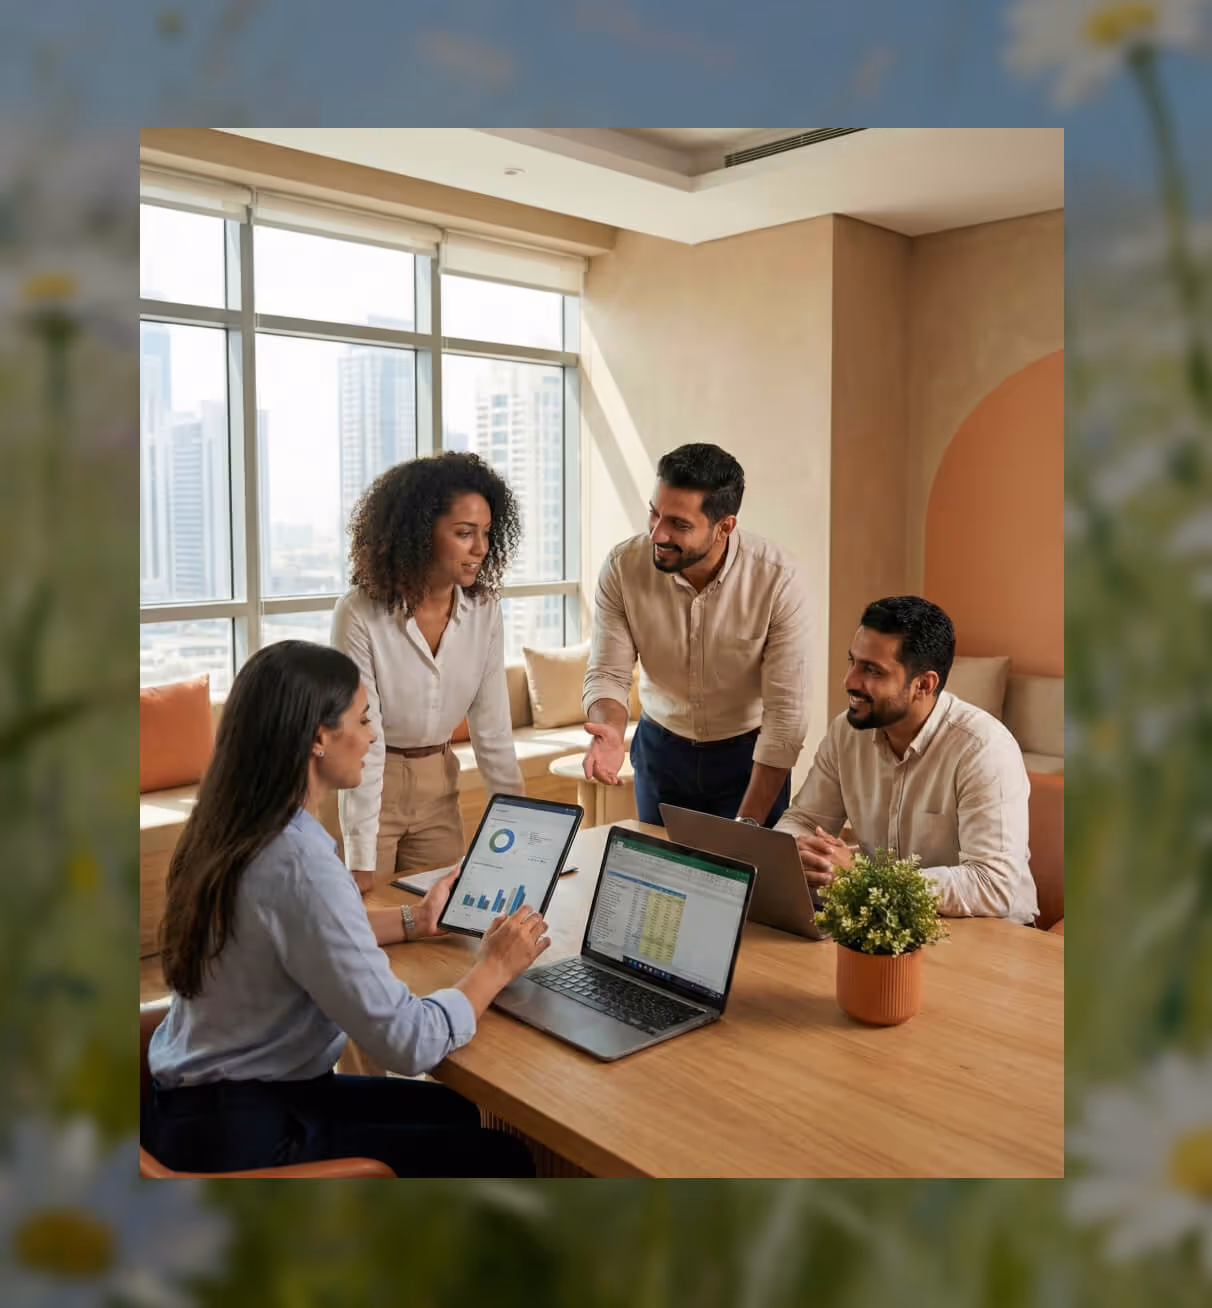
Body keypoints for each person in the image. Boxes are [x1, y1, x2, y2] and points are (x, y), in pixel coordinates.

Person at [143, 640, 549, 1177]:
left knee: (453, 1110)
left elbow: (291, 934)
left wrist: (413, 921)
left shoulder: (229, 826)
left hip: (191, 1107)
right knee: (502, 1157)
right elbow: (407, 1043)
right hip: (247, 1136)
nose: (372, 735)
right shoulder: (299, 862)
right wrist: (493, 966)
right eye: (362, 720)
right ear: (318, 738)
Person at [581, 443, 813, 827]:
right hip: (660, 749)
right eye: (654, 514)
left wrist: (748, 825)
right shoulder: (624, 567)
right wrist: (609, 728)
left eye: (679, 524)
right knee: (659, 880)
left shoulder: (778, 579)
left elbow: (786, 717)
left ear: (724, 527)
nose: (657, 534)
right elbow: (608, 672)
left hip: (748, 758)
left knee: (749, 880)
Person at [775, 596, 1038, 923]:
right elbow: (803, 819)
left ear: (923, 685)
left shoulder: (984, 749)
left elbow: (992, 886)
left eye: (872, 670)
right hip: (886, 922)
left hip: (993, 936)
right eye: (853, 661)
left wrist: (862, 878)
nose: (850, 681)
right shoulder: (846, 732)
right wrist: (798, 854)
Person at [332, 452, 525, 894]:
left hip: (441, 782)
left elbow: (493, 730)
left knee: (444, 924)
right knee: (365, 924)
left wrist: (520, 827)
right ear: (419, 534)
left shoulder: (484, 611)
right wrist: (360, 852)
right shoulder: (359, 614)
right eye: (463, 533)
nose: (480, 547)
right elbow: (363, 738)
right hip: (369, 783)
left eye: (486, 533)